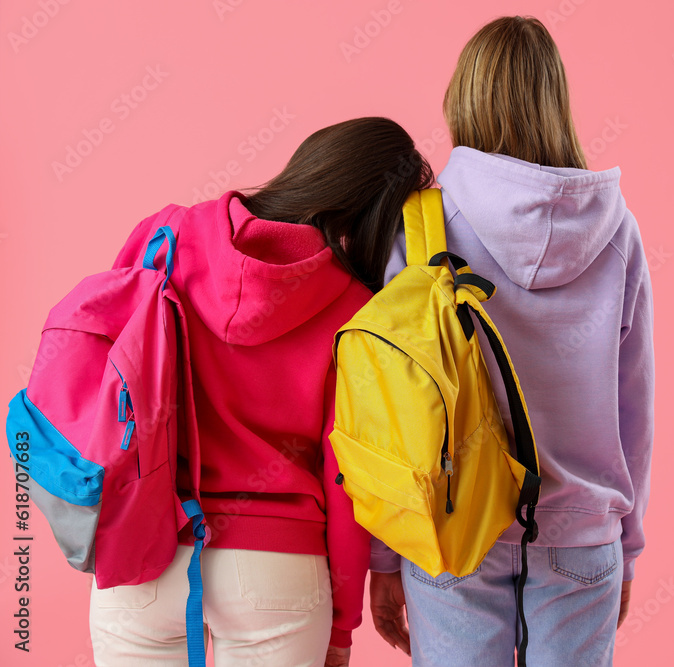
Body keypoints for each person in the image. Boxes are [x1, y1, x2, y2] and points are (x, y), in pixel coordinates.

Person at [89, 117, 433, 667]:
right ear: (374, 221)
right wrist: (342, 626)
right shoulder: (355, 314)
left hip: (143, 551)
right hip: (278, 575)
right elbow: (345, 479)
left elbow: (110, 374)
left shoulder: (166, 236)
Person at [368, 16, 655, 667]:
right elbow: (634, 403)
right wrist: (626, 546)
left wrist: (385, 553)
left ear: (463, 99)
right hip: (583, 533)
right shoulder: (618, 232)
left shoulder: (423, 228)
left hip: (453, 525)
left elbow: (391, 409)